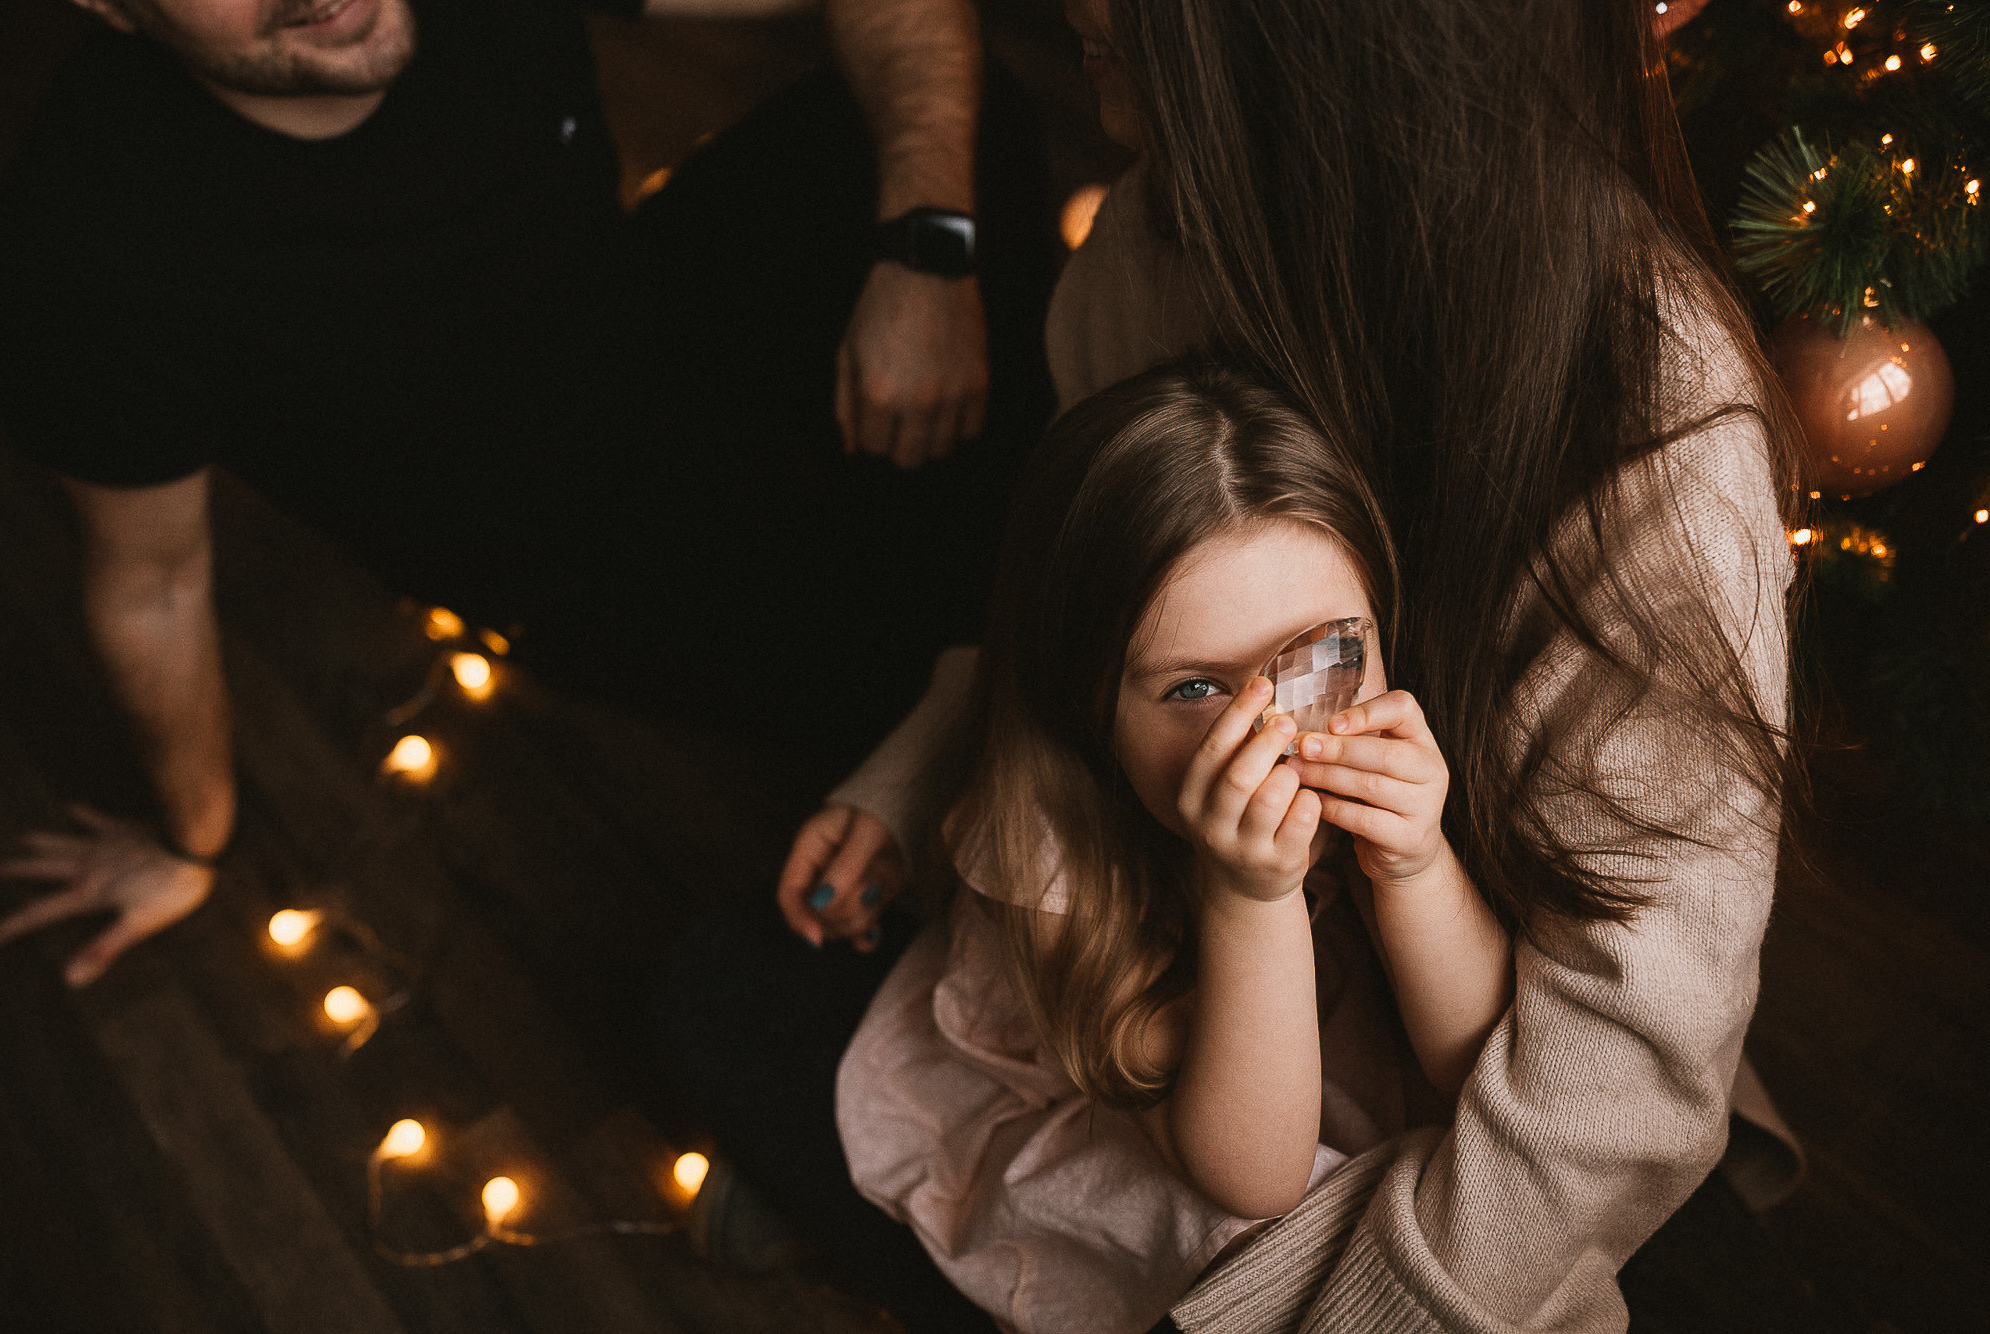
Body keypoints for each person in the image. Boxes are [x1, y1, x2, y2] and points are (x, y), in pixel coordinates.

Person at [672, 0, 1808, 1330]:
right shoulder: (1157, 244)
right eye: (1209, 687)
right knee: (721, 986)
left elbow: (1609, 1066)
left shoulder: (1655, 428)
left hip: (1502, 1074)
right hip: (1180, 948)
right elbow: (1083, 602)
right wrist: (924, 768)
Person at [0, 0, 1053, 985]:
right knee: (998, 666)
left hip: (656, 306)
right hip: (576, 552)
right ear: (110, 6)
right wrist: (191, 842)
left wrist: (928, 252)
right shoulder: (88, 251)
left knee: (967, 130)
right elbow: (153, 585)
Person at [833, 361, 1517, 1334]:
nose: (1272, 728)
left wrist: (1415, 864)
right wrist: (1250, 897)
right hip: (1145, 1101)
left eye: (1325, 655)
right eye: (1196, 688)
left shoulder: (1383, 744)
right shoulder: (1050, 849)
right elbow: (1254, 1176)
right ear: (1089, 708)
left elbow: (1484, 1074)